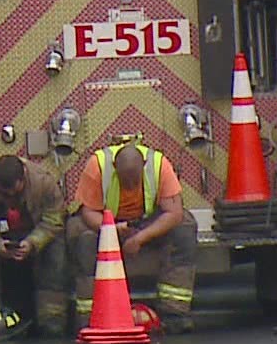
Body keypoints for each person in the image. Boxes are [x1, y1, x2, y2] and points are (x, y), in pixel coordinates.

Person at [67, 141, 196, 333]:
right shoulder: (97, 166)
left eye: (135, 181)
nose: (130, 186)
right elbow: (89, 212)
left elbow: (174, 213)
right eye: (124, 181)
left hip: (146, 222)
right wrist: (111, 230)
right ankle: (90, 316)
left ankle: (174, 312)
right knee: (81, 234)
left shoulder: (160, 165)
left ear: (144, 166)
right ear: (114, 168)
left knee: (185, 226)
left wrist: (140, 238)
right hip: (108, 222)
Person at [0, 154, 71, 340]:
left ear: (24, 177)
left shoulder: (44, 182)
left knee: (56, 247)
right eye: (5, 194)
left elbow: (54, 220)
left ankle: (52, 318)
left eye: (17, 193)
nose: (11, 197)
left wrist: (33, 243)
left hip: (34, 233)